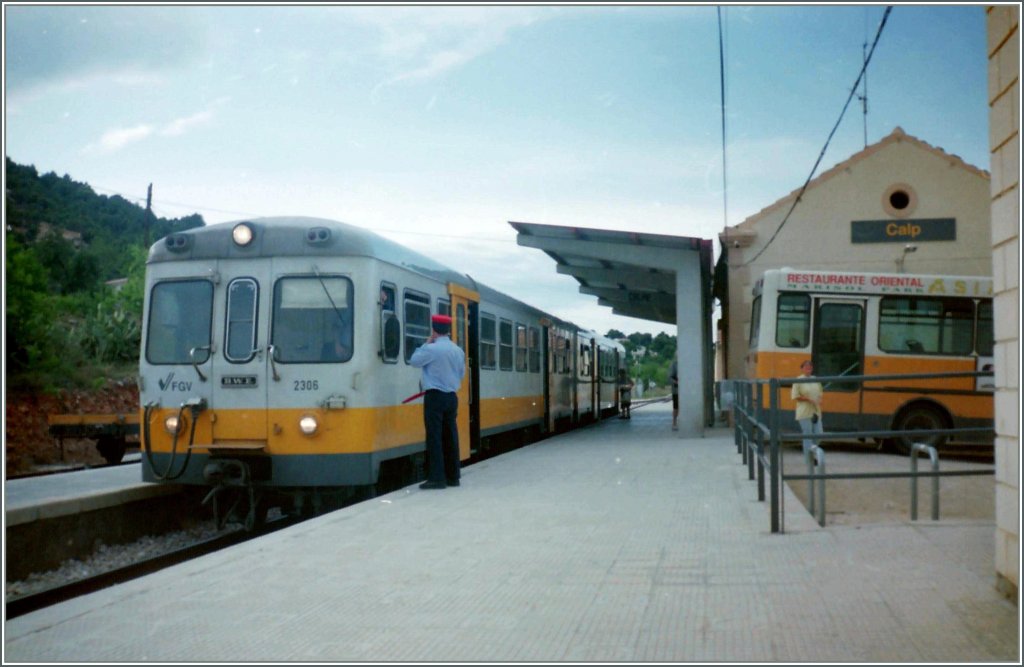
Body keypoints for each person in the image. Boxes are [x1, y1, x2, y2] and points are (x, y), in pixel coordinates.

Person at [409, 314, 466, 489]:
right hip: (451, 397)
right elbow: (461, 374)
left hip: (435, 396)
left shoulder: (431, 349)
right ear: (448, 330)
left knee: (434, 437)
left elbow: (414, 361)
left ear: (433, 330)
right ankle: (453, 476)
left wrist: (427, 343)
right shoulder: (458, 350)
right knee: (451, 436)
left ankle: (437, 478)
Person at [791, 359, 824, 457]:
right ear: (802, 369)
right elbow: (795, 396)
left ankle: (812, 452)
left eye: (810, 367)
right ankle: (809, 458)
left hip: (816, 411)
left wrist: (819, 399)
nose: (808, 368)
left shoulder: (816, 379)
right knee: (808, 434)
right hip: (804, 412)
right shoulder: (798, 381)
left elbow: (820, 392)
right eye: (806, 367)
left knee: (819, 434)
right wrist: (809, 399)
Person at [669, 359, 679, 431]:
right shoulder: (674, 364)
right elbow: (670, 377)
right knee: (676, 407)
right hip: (676, 390)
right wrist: (676, 382)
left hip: (687, 390)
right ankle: (674, 423)